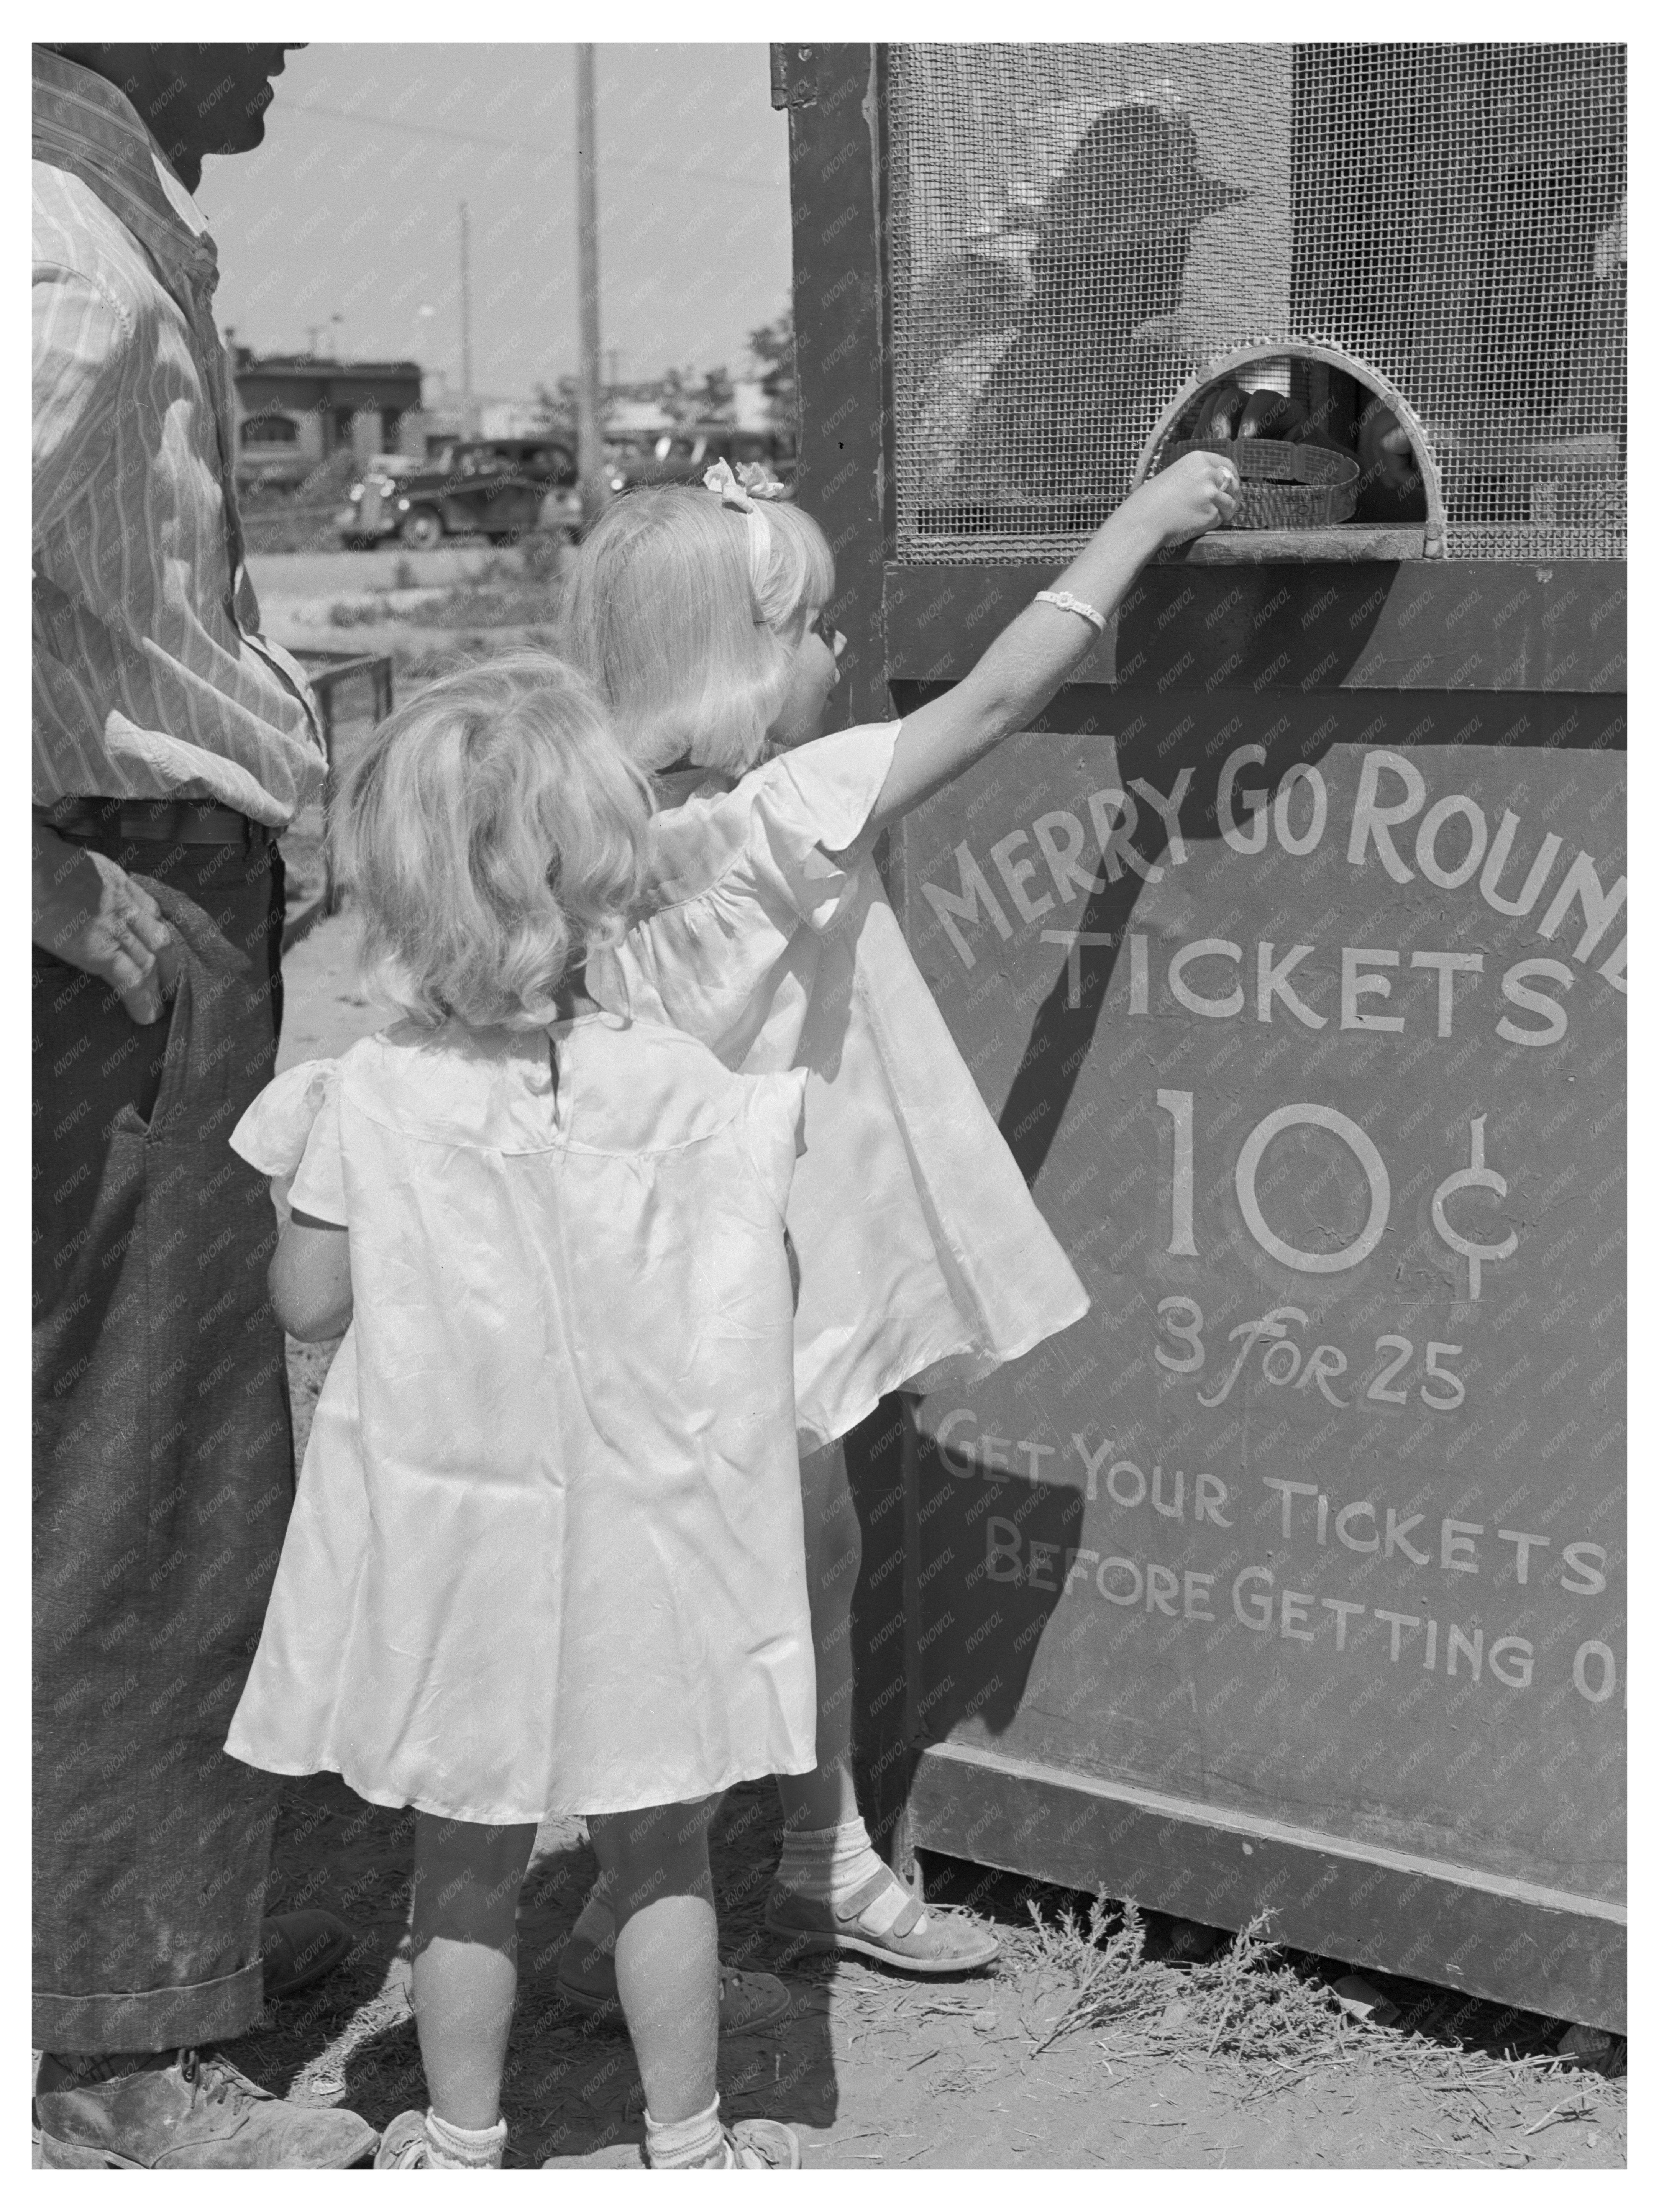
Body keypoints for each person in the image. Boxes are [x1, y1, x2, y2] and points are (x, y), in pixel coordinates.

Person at [558, 444, 1239, 1995]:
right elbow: (998, 703)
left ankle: (805, 1857)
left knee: (778, 1561)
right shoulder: (784, 814)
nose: (840, 653)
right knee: (761, 1583)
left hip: (665, 1277)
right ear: (729, 675)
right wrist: (1141, 517)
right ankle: (648, 1919)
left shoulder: (599, 835)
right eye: (809, 635)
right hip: (756, 1273)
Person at [224, 656, 817, 2172]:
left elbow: (308, 1305)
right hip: (643, 1522)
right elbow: (766, 1275)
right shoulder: (675, 1084)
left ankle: (463, 2137)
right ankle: (688, 2145)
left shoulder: (371, 1094)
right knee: (662, 1842)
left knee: (464, 1854)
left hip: (454, 1526)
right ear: (601, 868)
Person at [32, 44, 371, 2169]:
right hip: (105, 899)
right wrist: (55, 883)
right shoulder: (68, 247)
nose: (289, 35)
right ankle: (107, 2044)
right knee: (143, 1474)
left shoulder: (91, 209)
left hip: (129, 865)